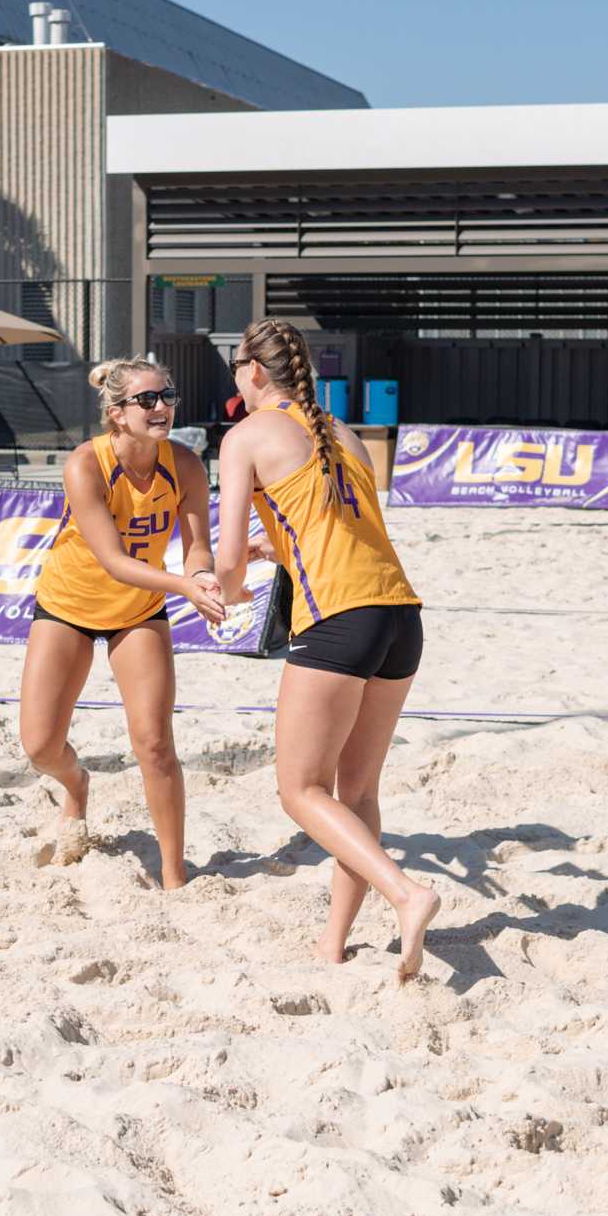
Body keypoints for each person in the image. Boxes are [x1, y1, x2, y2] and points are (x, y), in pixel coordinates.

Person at [213, 318, 441, 980]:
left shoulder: (247, 435)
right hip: (399, 614)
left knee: (299, 789)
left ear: (256, 371)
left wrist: (221, 588)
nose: (235, 378)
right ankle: (331, 944)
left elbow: (227, 561)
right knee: (357, 789)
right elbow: (344, 529)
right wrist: (272, 545)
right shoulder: (342, 432)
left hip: (340, 619)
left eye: (235, 366)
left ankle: (407, 893)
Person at [20, 359, 225, 891]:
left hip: (138, 611)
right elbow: (112, 560)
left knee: (154, 744)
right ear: (117, 414)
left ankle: (176, 875)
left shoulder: (186, 465)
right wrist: (183, 586)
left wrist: (200, 576)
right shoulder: (86, 464)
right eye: (147, 400)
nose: (162, 407)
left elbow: (199, 546)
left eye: (168, 395)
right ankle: (77, 785)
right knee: (41, 747)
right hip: (70, 603)